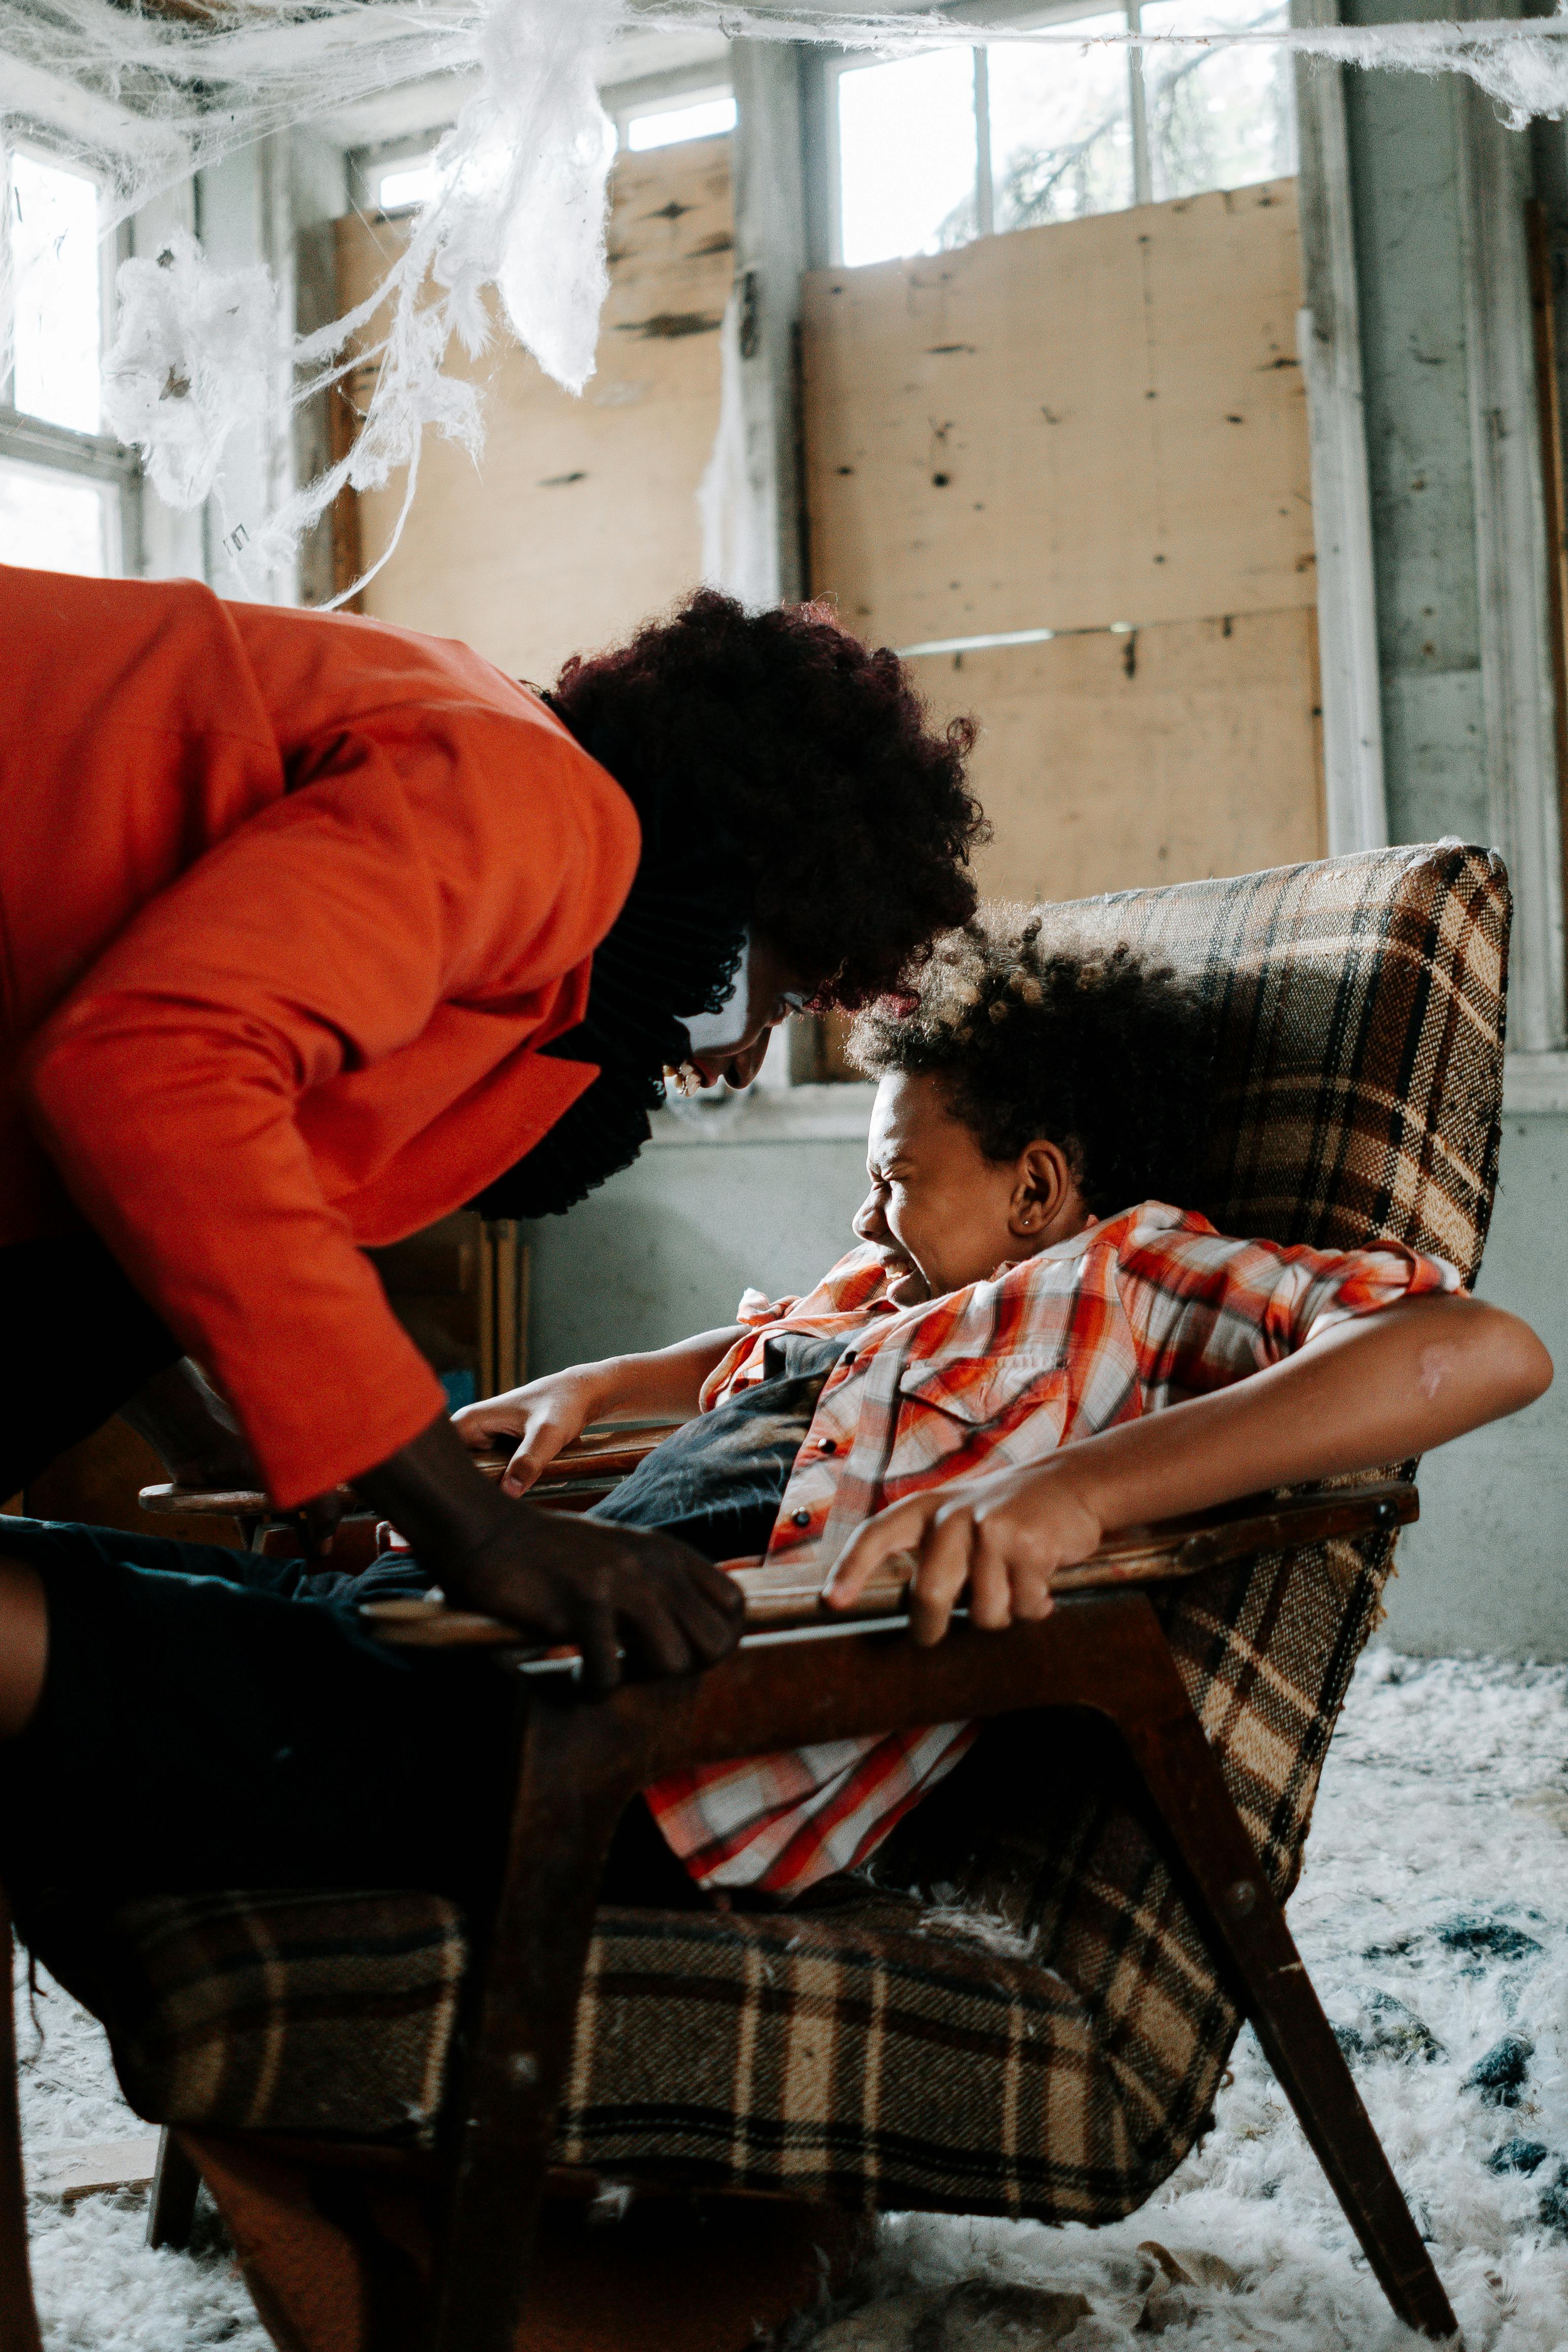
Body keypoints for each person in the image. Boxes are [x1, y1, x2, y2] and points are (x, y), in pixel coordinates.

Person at [0, 921, 1546, 1955]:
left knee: (67, 1629)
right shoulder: (890, 1288)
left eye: (896, 1178)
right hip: (522, 1650)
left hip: (632, 1748)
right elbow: (752, 1361)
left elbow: (1475, 1347)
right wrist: (593, 1390)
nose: (867, 1215)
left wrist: (1068, 1493)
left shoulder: (1132, 1280)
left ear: (1037, 1187)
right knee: (94, 1570)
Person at [0, 567, 983, 1678]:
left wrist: (218, 1431)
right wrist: (479, 1529)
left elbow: (140, 1198)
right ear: (746, 892)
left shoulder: (509, 776)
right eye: (789, 996)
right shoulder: (542, 812)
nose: (741, 1057)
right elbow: (149, 1078)